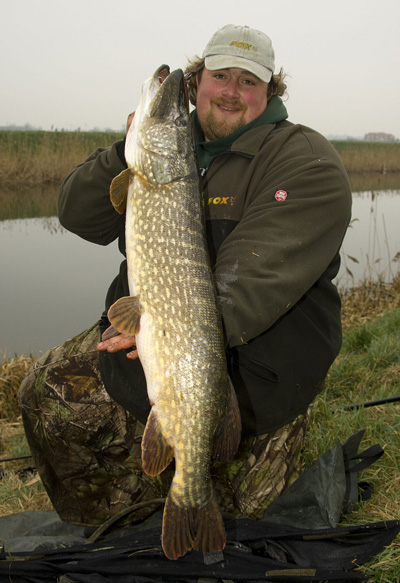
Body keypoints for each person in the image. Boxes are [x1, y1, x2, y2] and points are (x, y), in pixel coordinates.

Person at [19, 24, 352, 527]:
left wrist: (168, 333)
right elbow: (77, 214)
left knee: (240, 513)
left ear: (270, 91)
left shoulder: (304, 160)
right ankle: (116, 529)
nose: (232, 92)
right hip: (149, 339)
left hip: (255, 376)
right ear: (197, 82)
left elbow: (253, 283)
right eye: (221, 76)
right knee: (44, 393)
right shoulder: (162, 155)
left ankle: (200, 480)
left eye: (249, 81)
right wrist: (128, 148)